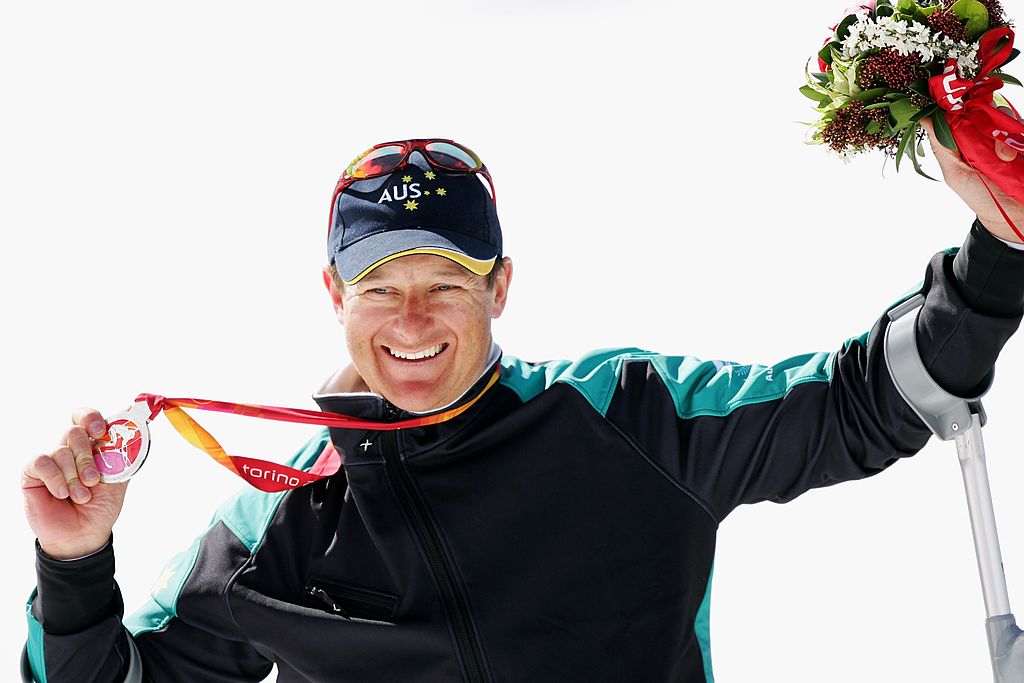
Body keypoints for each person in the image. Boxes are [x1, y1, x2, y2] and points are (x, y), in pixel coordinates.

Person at [20, 132, 1024, 683]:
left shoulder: (624, 418)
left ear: (499, 288)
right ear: (335, 297)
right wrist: (71, 565)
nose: (412, 319)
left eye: (446, 282)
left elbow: (868, 399)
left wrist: (999, 247)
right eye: (379, 284)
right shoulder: (278, 516)